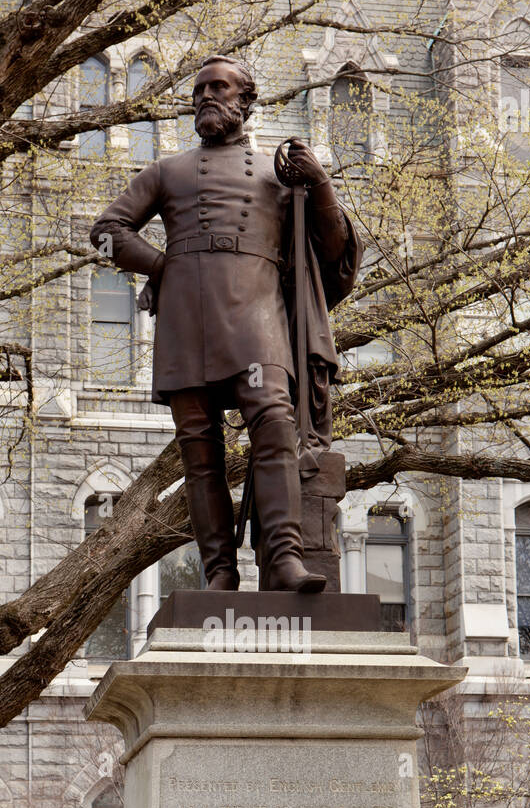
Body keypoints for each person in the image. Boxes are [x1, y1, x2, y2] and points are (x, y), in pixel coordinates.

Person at [90, 55, 360, 591]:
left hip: (256, 318)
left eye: (219, 87)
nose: (207, 97)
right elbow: (105, 231)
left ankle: (283, 557)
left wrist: (322, 185)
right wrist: (163, 265)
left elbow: (335, 254)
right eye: (199, 91)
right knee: (200, 447)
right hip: (186, 322)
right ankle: (219, 572)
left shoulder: (280, 178)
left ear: (246, 101)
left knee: (276, 422)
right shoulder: (167, 171)